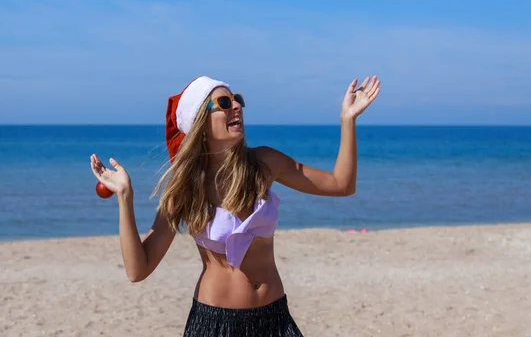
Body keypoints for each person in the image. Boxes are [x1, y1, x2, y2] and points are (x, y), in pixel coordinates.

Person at [89, 74, 380, 336]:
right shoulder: (186, 188)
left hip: (274, 320)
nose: (236, 106)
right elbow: (138, 270)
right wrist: (125, 200)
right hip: (214, 324)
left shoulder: (264, 164)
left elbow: (342, 185)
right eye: (224, 103)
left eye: (237, 99)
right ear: (199, 125)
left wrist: (348, 120)